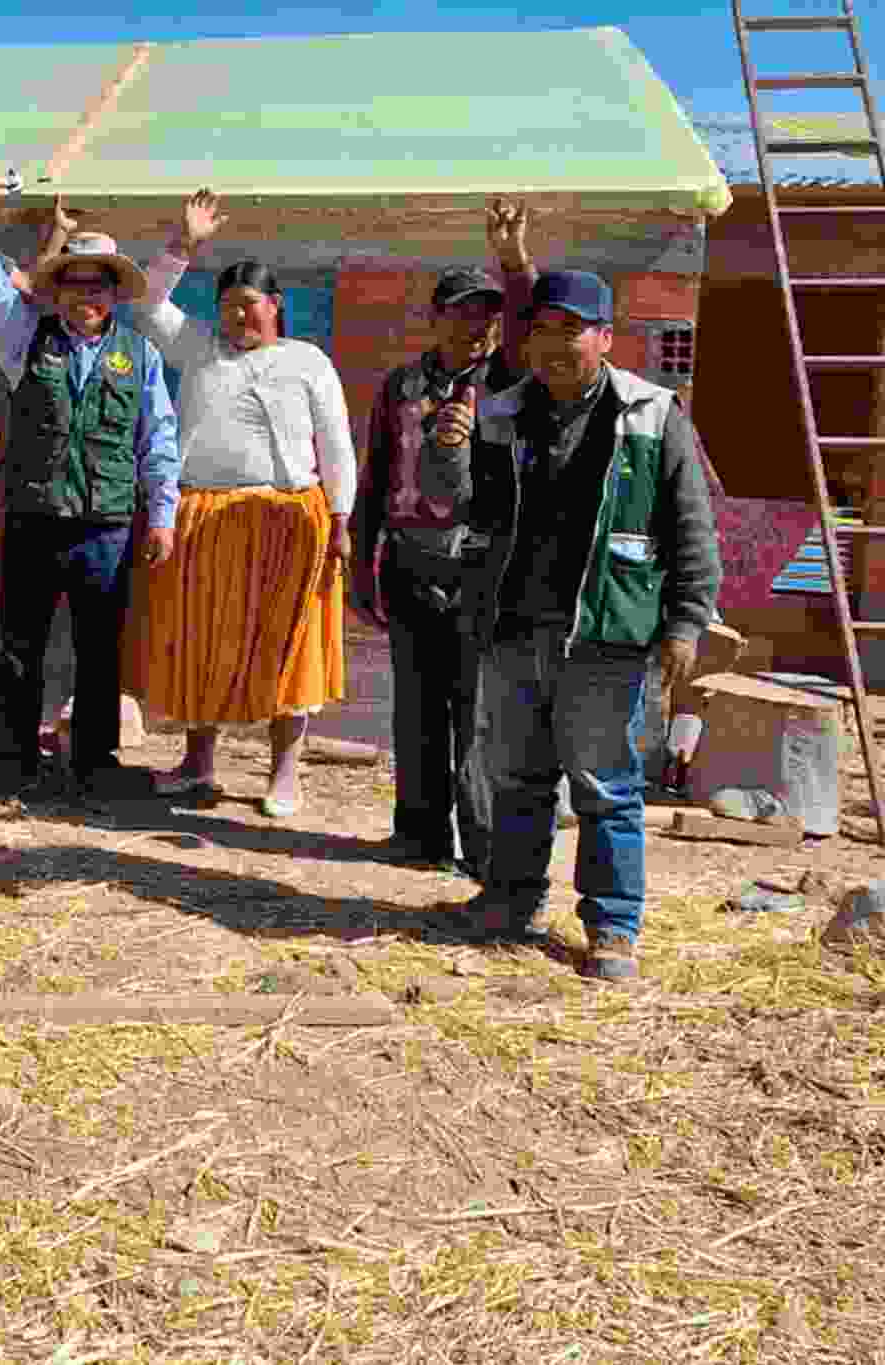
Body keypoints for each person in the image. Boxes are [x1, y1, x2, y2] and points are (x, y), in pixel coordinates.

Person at [423, 268, 720, 982]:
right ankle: (510, 900)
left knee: (605, 784)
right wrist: (447, 450)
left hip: (606, 632)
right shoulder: (497, 413)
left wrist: (685, 622)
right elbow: (456, 504)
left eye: (572, 329)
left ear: (605, 337)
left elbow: (691, 527)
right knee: (517, 777)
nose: (555, 344)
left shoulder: (652, 413)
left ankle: (612, 926)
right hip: (515, 626)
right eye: (543, 329)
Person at [124, 189, 356, 819]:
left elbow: (335, 442)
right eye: (227, 307)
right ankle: (201, 765)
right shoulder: (197, 347)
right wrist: (183, 245)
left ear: (275, 307)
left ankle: (284, 774)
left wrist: (340, 517)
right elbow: (147, 306)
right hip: (204, 516)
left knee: (290, 645)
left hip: (291, 517)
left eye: (249, 306)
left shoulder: (307, 360)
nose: (237, 319)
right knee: (203, 641)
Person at [0, 181, 180, 798]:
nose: (87, 294)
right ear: (57, 290)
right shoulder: (23, 339)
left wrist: (162, 515)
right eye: (75, 283)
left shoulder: (139, 353)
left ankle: (93, 764)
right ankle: (15, 759)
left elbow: (157, 438)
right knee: (19, 645)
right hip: (35, 515)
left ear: (113, 292)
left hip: (107, 522)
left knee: (101, 650)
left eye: (99, 283)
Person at [350, 201, 535, 876]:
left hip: (478, 571)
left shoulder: (510, 383)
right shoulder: (401, 385)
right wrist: (361, 569)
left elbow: (526, 319)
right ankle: (418, 835)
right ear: (438, 316)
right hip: (407, 563)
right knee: (416, 713)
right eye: (465, 310)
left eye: (488, 311)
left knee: (477, 715)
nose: (479, 322)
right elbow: (374, 478)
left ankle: (481, 850)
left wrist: (513, 262)